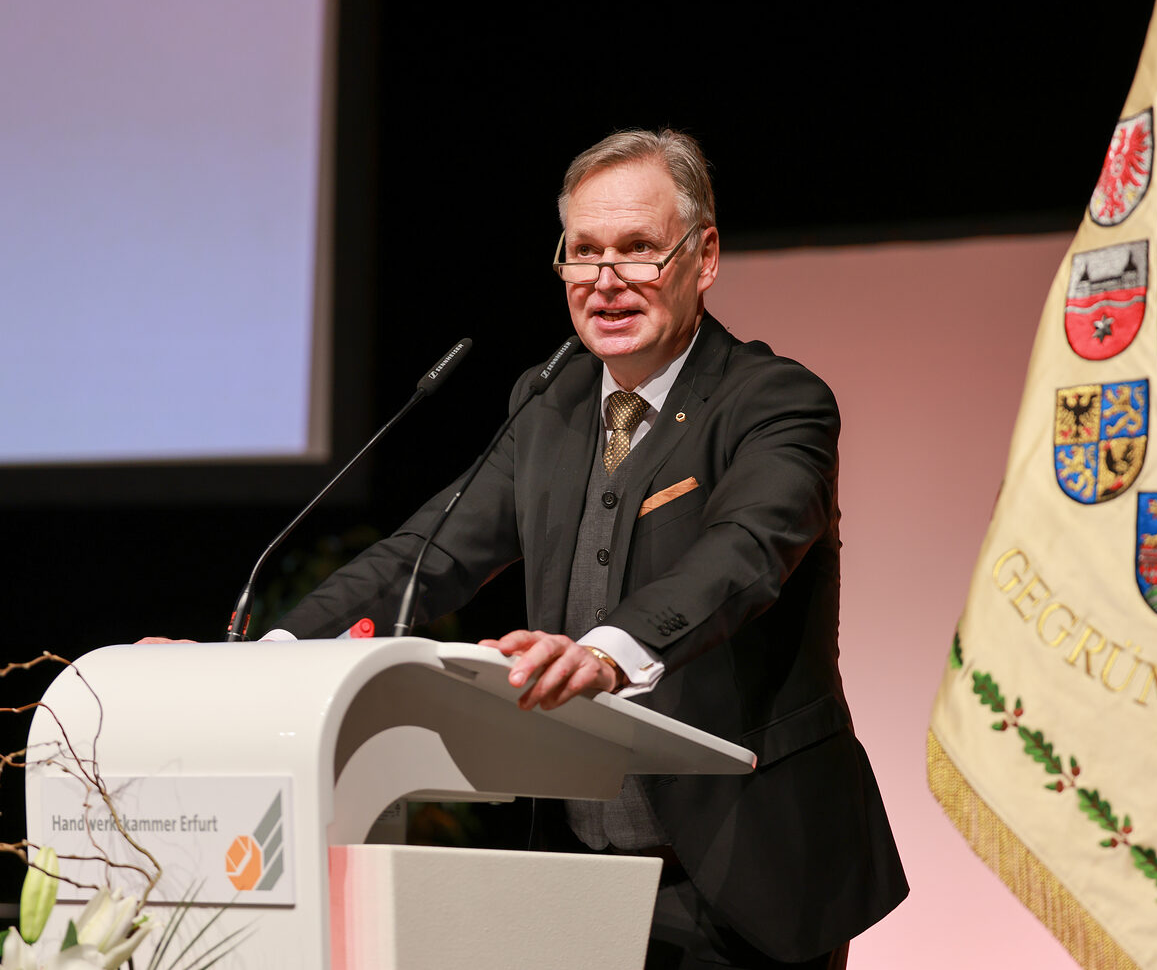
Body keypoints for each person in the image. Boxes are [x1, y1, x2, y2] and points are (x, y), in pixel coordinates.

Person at [273, 128, 907, 969]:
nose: (605, 282)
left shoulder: (776, 402)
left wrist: (609, 653)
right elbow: (425, 555)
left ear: (704, 256)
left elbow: (743, 552)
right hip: (581, 881)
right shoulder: (548, 401)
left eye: (638, 250)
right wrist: (267, 655)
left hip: (751, 876)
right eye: (584, 253)